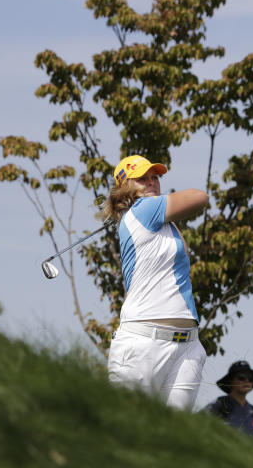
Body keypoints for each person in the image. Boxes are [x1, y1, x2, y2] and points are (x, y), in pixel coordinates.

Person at [98, 155, 209, 410]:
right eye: (142, 179)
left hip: (187, 346)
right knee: (127, 435)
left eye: (155, 177)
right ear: (125, 187)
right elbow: (199, 197)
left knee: (170, 442)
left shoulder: (161, 223)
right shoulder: (144, 210)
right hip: (143, 345)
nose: (152, 182)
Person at [206, 360, 253, 448]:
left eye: (250, 379)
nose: (246, 381)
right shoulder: (222, 404)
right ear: (231, 381)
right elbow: (197, 423)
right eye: (241, 377)